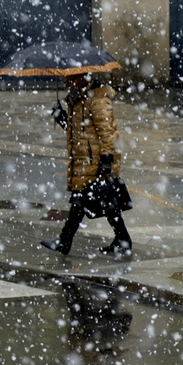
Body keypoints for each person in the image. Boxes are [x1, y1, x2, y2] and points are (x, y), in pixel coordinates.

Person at [41, 73, 132, 257]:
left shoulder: (97, 100)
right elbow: (79, 131)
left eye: (70, 81)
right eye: (65, 82)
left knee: (80, 202)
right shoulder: (77, 100)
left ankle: (64, 241)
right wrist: (62, 118)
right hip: (84, 161)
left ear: (82, 79)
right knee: (105, 203)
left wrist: (106, 161)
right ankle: (123, 240)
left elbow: (108, 135)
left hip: (96, 161)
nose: (67, 86)